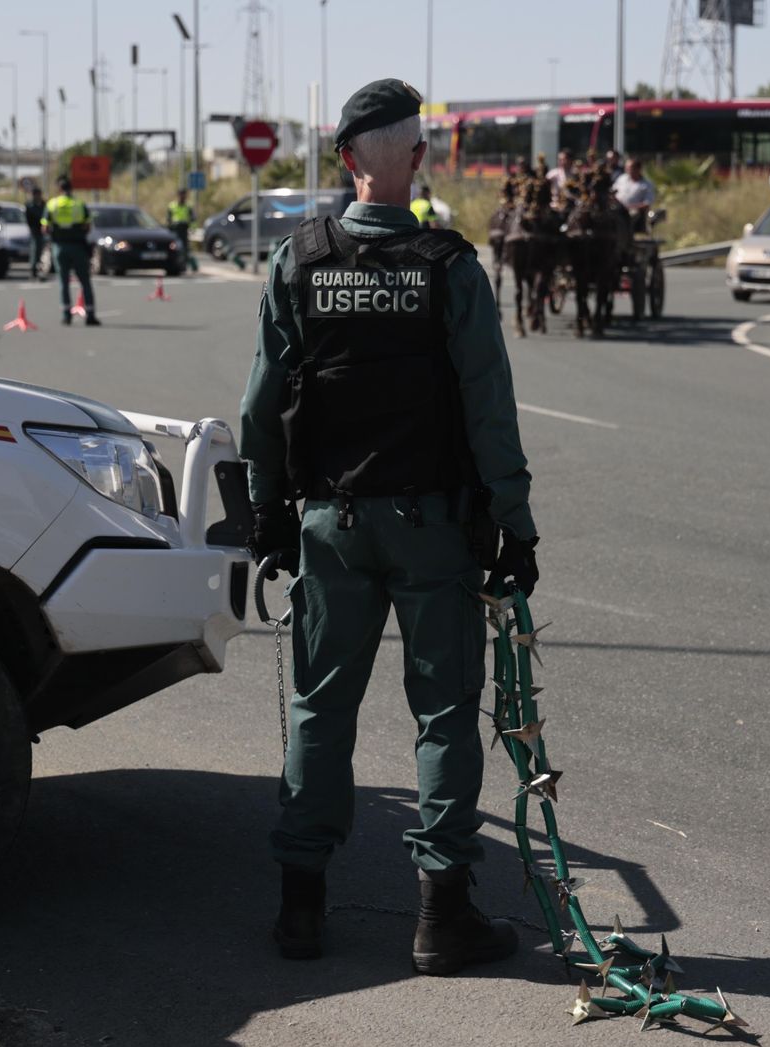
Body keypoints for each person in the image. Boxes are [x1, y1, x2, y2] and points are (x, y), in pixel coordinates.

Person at [238, 77, 539, 975]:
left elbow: (260, 406)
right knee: (444, 714)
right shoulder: (449, 267)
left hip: (328, 523)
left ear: (343, 160)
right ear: (415, 158)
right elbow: (490, 406)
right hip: (432, 527)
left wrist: (264, 512)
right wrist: (514, 522)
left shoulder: (296, 261)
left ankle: (300, 909)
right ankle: (441, 918)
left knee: (319, 709)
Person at [43, 175, 99, 326]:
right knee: (85, 281)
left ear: (59, 189)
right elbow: (88, 226)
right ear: (71, 188)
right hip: (78, 246)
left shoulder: (52, 204)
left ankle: (66, 315)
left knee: (63, 282)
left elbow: (45, 227)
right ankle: (90, 315)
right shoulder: (79, 204)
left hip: (60, 247)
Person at [611, 157, 657, 232]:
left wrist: (629, 207)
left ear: (638, 169)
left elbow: (647, 203)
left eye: (629, 168)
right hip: (617, 207)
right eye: (626, 168)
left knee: (631, 215)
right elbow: (613, 191)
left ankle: (627, 234)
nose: (627, 170)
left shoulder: (647, 184)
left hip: (633, 210)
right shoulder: (622, 178)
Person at [24, 185, 48, 280]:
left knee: (42, 251)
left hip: (44, 231)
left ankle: (40, 269)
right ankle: (33, 270)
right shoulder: (29, 205)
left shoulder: (44, 204)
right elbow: (28, 219)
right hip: (35, 231)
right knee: (35, 250)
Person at [166, 187, 194, 261]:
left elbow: (193, 218)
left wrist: (192, 228)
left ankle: (185, 261)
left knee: (185, 247)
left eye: (184, 194)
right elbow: (168, 218)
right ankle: (174, 260)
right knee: (174, 246)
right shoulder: (172, 205)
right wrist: (169, 227)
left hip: (184, 229)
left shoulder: (188, 206)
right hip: (175, 229)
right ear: (178, 195)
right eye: (181, 194)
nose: (182, 196)